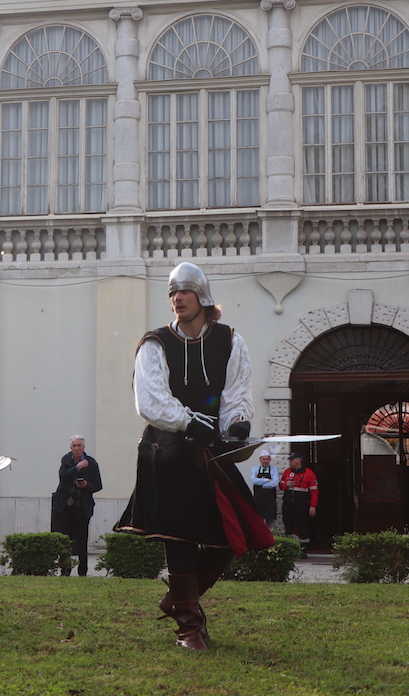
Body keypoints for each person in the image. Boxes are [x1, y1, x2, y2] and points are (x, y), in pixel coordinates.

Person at [115, 262, 272, 651]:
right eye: (172, 293)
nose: (176, 298)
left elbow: (237, 391)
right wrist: (189, 422)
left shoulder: (231, 340)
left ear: (202, 297)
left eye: (183, 291)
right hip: (165, 451)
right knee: (179, 538)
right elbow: (150, 401)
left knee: (228, 539)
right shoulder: (154, 343)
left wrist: (237, 423)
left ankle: (176, 599)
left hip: (211, 453)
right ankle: (189, 625)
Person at [51, 435, 102, 576]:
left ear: (84, 447)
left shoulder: (91, 463)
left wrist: (86, 486)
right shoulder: (66, 460)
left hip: (82, 508)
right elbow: (63, 477)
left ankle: (83, 571)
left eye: (79, 446)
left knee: (81, 540)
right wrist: (78, 467)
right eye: (74, 446)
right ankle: (65, 569)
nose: (77, 448)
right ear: (71, 448)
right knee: (65, 540)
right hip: (65, 507)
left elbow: (98, 485)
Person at [280, 452, 319, 558]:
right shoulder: (287, 472)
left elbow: (314, 491)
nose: (290, 462)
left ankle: (303, 550)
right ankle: (288, 550)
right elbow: (281, 485)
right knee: (288, 527)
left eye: (292, 460)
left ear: (299, 460)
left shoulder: (309, 473)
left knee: (302, 527)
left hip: (301, 504)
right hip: (288, 504)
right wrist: (286, 485)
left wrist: (313, 506)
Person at [249, 451, 281, 530]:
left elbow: (275, 483)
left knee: (271, 522)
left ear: (270, 460)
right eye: (263, 459)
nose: (265, 461)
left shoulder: (274, 469)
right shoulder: (255, 469)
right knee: (258, 521)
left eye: (267, 459)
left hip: (270, 500)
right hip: (258, 500)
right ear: (260, 459)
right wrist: (267, 480)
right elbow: (254, 481)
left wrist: (261, 484)